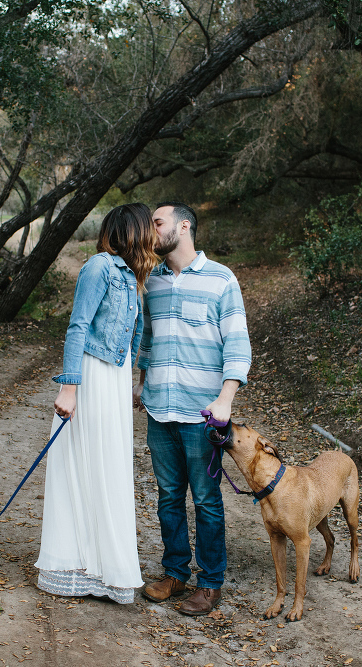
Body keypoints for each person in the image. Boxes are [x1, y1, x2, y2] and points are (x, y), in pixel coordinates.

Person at [35, 203, 160, 604]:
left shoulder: (133, 276)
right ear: (135, 231)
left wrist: (138, 380)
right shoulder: (99, 268)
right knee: (83, 466)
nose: (156, 235)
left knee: (108, 467)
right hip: (90, 377)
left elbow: (135, 334)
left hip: (115, 378)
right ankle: (73, 565)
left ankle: (105, 569)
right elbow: (78, 326)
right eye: (150, 227)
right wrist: (69, 388)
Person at [133, 201, 252, 615]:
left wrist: (225, 400)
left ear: (184, 226)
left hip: (203, 414)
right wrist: (141, 383)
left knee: (205, 499)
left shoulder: (222, 279)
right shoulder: (151, 280)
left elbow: (238, 344)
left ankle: (211, 582)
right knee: (167, 496)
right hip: (159, 411)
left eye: (157, 223)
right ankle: (175, 573)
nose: (150, 231)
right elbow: (147, 338)